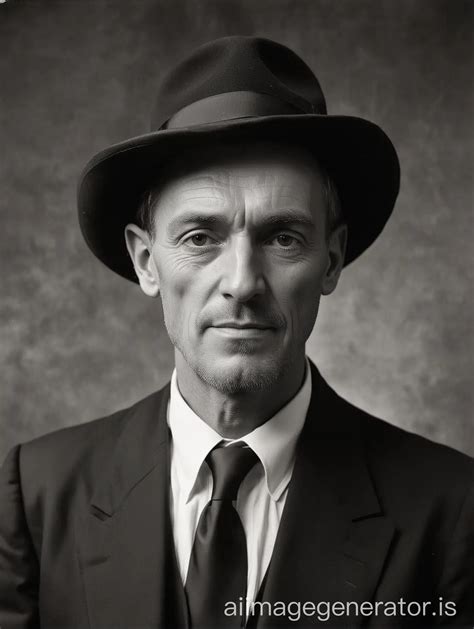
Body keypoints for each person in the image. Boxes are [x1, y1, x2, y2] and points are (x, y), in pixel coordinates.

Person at [0, 36, 472, 629]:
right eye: (201, 237)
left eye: (283, 238)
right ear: (147, 262)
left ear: (330, 261)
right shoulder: (37, 494)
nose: (243, 283)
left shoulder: (452, 509)